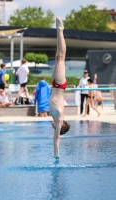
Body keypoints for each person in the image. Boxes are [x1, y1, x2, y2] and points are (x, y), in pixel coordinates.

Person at [49, 16, 70, 160]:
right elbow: (57, 137)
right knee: (61, 56)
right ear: (60, 127)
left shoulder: (55, 117)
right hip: (59, 85)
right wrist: (56, 155)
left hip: (55, 84)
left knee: (57, 55)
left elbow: (55, 135)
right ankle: (60, 30)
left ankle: (58, 30)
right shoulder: (59, 118)